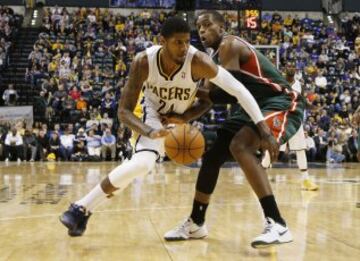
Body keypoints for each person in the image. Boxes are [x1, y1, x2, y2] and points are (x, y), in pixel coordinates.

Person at [59, 17, 277, 238]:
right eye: (178, 42)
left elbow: (237, 91)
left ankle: (83, 211)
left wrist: (263, 129)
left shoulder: (199, 61)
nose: (184, 48)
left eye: (187, 42)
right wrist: (150, 131)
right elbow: (123, 112)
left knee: (133, 167)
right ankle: (79, 208)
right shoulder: (143, 61)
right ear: (162, 41)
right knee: (143, 164)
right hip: (149, 114)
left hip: (175, 119)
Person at [164, 11, 305, 248]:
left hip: (279, 102)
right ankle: (196, 223)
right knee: (212, 157)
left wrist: (186, 86)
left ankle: (278, 223)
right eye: (198, 27)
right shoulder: (212, 58)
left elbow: (227, 93)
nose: (201, 31)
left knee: (240, 145)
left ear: (222, 27)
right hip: (249, 108)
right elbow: (208, 101)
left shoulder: (229, 44)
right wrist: (181, 118)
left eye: (207, 25)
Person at [261, 63, 319, 191]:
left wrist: (313, 107)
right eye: (289, 66)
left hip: (294, 120)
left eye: (293, 67)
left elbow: (302, 102)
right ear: (284, 69)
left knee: (300, 149)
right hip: (280, 119)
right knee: (272, 148)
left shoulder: (300, 85)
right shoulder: (278, 82)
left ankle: (305, 180)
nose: (291, 68)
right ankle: (260, 176)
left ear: (296, 70)